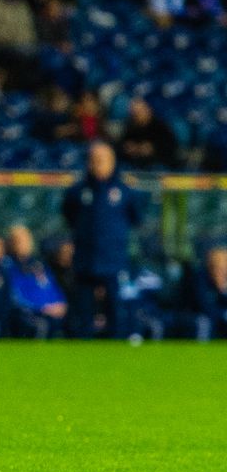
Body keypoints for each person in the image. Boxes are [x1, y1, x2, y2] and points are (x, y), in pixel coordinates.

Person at [62, 141, 143, 338]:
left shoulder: (124, 191)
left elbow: (136, 217)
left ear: (112, 162)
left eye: (101, 160)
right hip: (85, 260)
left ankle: (116, 354)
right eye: (93, 160)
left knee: (116, 311)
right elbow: (69, 216)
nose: (96, 164)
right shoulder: (78, 191)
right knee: (83, 314)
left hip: (113, 260)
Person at [5, 224, 67, 338]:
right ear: (10, 243)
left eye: (25, 240)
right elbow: (14, 295)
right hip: (26, 313)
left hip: (50, 311)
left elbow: (51, 287)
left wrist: (60, 303)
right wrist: (41, 308)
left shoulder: (39, 265)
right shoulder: (8, 266)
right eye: (18, 240)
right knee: (40, 326)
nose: (22, 244)